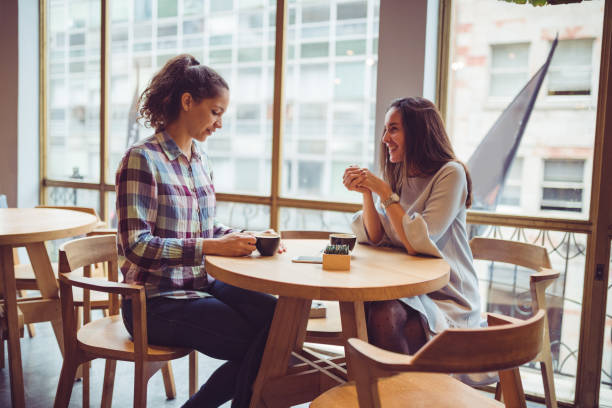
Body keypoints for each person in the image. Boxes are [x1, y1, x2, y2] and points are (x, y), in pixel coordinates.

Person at [115, 54, 280, 408]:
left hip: (200, 285)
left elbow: (207, 228)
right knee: (266, 344)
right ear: (187, 101)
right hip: (154, 301)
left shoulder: (200, 159)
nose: (219, 123)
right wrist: (212, 247)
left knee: (280, 318)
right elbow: (136, 246)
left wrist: (247, 239)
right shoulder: (142, 159)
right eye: (216, 112)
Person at [343, 96, 481, 355]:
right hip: (406, 289)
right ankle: (381, 390)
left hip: (446, 296)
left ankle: (394, 392)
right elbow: (376, 236)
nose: (385, 138)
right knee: (368, 309)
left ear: (419, 132)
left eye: (393, 129)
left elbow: (417, 243)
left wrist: (384, 192)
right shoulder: (399, 173)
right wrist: (367, 194)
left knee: (382, 316)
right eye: (385, 129)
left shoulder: (450, 174)